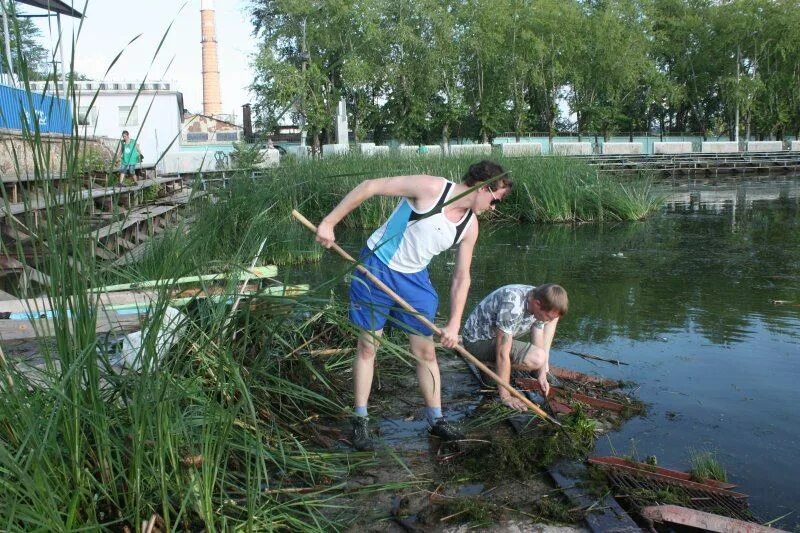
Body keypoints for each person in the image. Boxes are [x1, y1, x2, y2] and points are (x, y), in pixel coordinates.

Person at [315, 160, 512, 450]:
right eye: (495, 200)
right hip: (377, 266)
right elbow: (369, 186)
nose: (494, 207)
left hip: (414, 280)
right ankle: (360, 420)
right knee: (369, 346)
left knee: (426, 352)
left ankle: (437, 420)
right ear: (483, 187)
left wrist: (455, 323)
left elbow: (461, 276)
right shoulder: (431, 188)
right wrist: (329, 223)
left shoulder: (470, 227)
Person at [461, 284, 569, 411]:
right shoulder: (512, 304)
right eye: (548, 317)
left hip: (495, 337)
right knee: (536, 358)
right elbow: (502, 353)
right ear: (537, 304)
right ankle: (486, 364)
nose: (548, 321)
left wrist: (541, 374)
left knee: (540, 357)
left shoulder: (541, 299)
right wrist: (506, 396)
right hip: (477, 342)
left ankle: (493, 367)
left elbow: (538, 333)